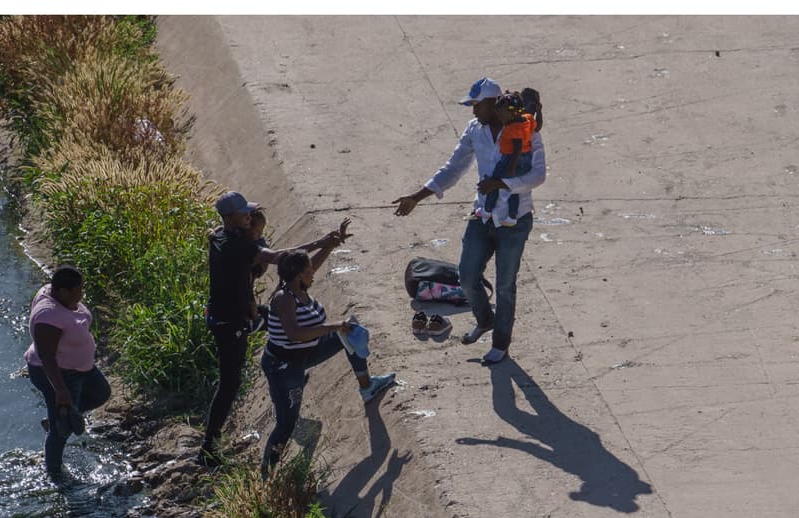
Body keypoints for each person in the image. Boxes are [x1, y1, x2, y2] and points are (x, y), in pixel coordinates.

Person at [392, 76, 547, 366]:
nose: (473, 111)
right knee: (466, 276)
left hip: (514, 221)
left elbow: (538, 175)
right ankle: (485, 320)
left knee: (505, 286)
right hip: (482, 216)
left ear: (493, 103)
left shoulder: (526, 131)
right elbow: (453, 168)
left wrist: (502, 184)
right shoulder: (475, 129)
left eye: (477, 105)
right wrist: (417, 196)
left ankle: (500, 344)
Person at [200, 190, 347, 467]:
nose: (248, 215)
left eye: (249, 212)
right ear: (229, 218)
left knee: (279, 320)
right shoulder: (236, 245)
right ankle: (208, 449)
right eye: (243, 214)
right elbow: (281, 258)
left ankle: (291, 374)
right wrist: (322, 242)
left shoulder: (221, 236)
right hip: (230, 324)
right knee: (229, 384)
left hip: (234, 315)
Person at [261, 228, 397, 473]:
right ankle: (266, 474)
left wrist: (330, 245)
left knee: (348, 333)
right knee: (286, 424)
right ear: (298, 274)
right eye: (309, 271)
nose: (313, 273)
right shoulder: (284, 298)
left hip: (305, 353)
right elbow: (294, 334)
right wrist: (333, 326)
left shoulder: (299, 286)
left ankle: (367, 387)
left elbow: (312, 265)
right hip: (284, 366)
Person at [24, 265, 111, 477]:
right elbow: (47, 357)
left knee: (101, 393)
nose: (82, 294)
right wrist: (61, 391)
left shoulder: (54, 294)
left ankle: (58, 421)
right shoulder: (48, 317)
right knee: (59, 433)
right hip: (60, 374)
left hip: (79, 369)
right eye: (79, 290)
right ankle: (55, 474)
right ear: (63, 291)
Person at [483, 91, 539, 216]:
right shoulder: (528, 119)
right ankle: (512, 215)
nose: (500, 118)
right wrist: (539, 112)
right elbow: (538, 126)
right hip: (526, 160)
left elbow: (517, 147)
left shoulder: (512, 128)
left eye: (501, 114)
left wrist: (511, 167)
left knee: (493, 182)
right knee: (513, 188)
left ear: (512, 112)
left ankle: (487, 209)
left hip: (511, 159)